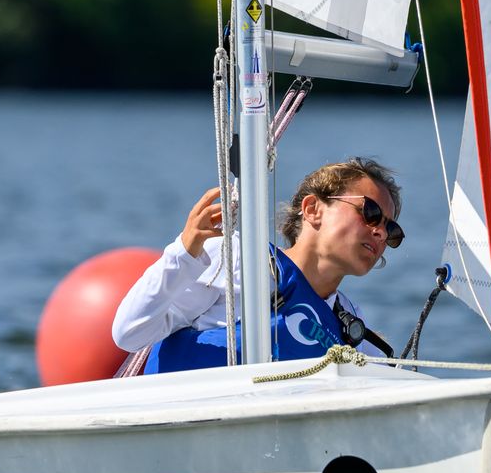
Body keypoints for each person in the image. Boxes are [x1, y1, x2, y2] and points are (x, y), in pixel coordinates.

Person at [111, 158, 404, 373]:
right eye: (370, 212)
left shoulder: (349, 322)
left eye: (391, 231)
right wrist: (184, 255)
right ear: (313, 210)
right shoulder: (236, 258)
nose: (380, 232)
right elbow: (130, 333)